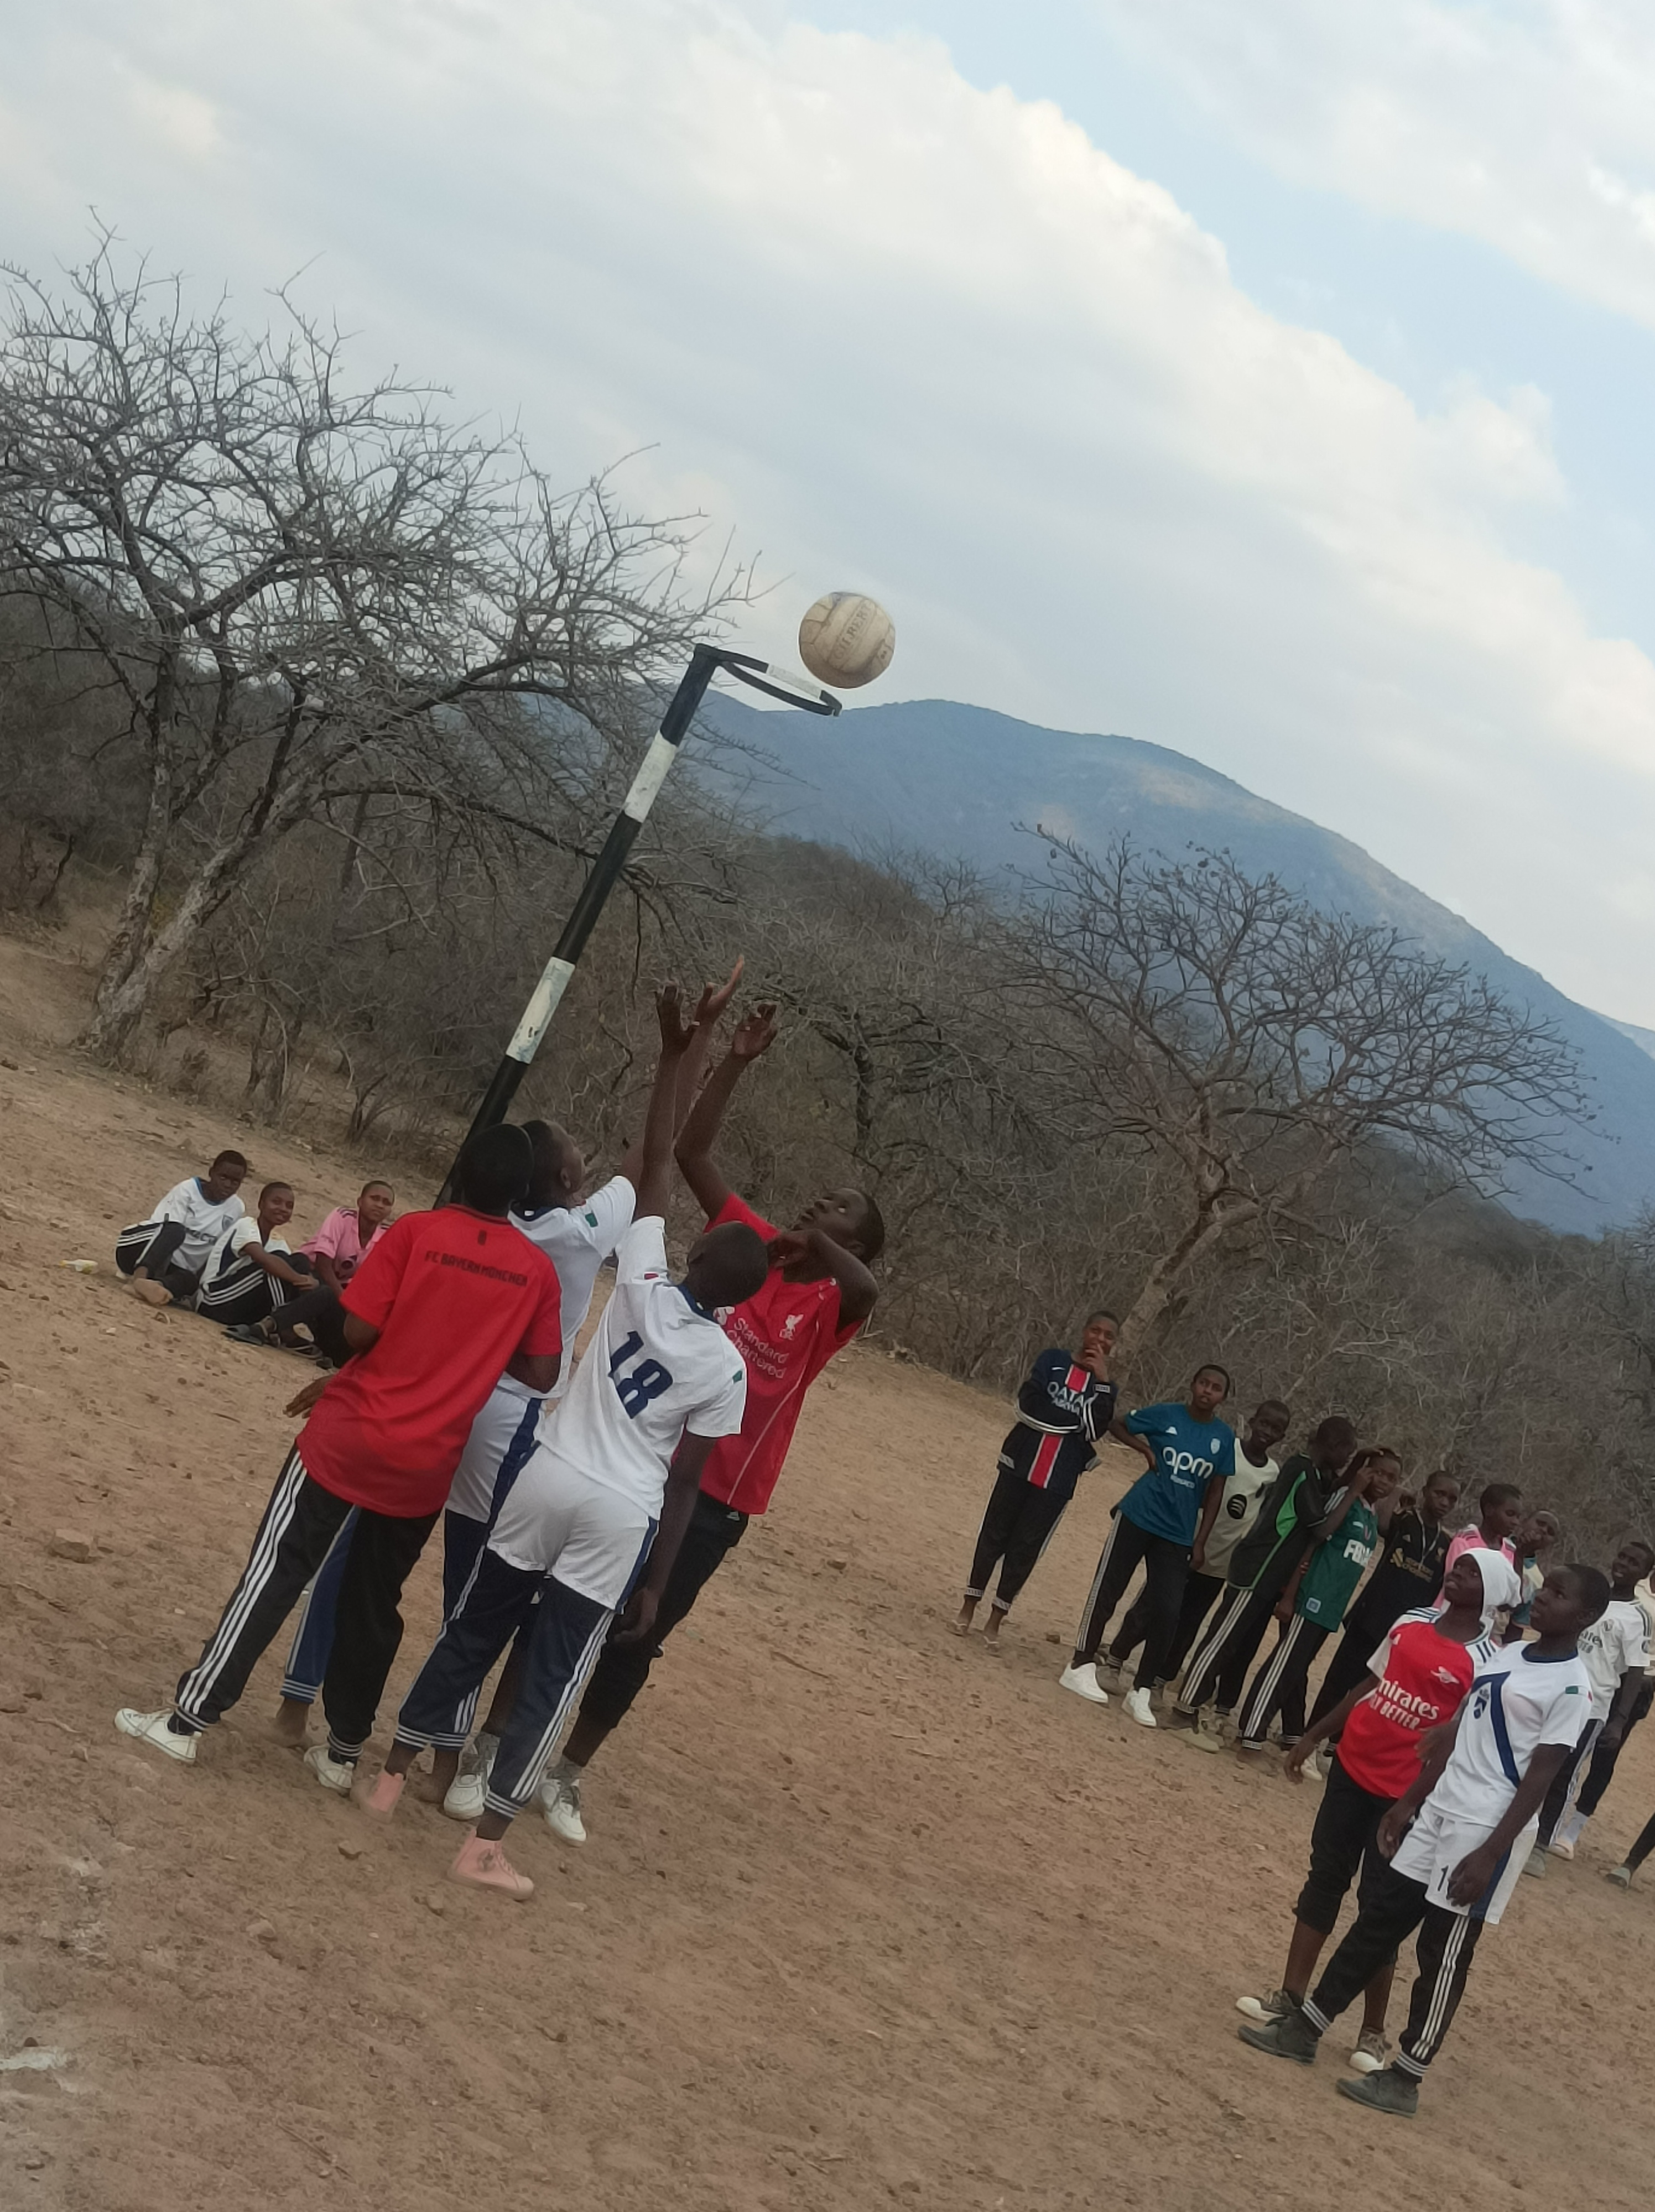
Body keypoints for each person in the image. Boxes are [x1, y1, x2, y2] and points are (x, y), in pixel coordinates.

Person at [360, 986, 770, 1898]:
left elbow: (658, 1159)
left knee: (473, 1629)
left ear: (694, 1258)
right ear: (740, 1302)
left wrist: (677, 1054)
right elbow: (690, 1484)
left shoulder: (644, 1278)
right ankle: (487, 1844)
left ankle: (391, 1777)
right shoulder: (725, 1367)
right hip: (620, 1513)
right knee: (551, 1671)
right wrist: (659, 1582)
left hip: (547, 1474)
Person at [518, 992, 882, 1848]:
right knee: (561, 1606)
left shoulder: (833, 1298)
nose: (816, 1208)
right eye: (820, 1199)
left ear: (853, 1243)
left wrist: (821, 1249)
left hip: (717, 1500)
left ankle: (567, 1775)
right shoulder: (745, 1243)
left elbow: (867, 1288)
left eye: (839, 1211)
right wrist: (736, 1063)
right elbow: (689, 1153)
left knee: (638, 1636)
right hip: (639, 1469)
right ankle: (509, 1743)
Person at [113, 1124, 562, 1778]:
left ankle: (189, 1719)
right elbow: (545, 1372)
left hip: (348, 1438)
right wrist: (480, 1341)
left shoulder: (414, 1233)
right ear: (523, 1193)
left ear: (460, 1173)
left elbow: (356, 1330)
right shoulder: (535, 1269)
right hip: (425, 1465)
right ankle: (345, 1752)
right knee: (373, 1603)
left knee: (277, 1571)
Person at [269, 1112, 644, 1752]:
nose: (588, 1165)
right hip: (500, 1421)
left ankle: (296, 1704)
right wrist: (681, 1059)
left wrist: (348, 1379)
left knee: (353, 1553)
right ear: (559, 1176)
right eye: (580, 1155)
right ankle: (438, 1750)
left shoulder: (455, 1230)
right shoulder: (578, 1232)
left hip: (421, 1404)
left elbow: (404, 1326)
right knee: (473, 1586)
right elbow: (650, 1161)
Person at [1237, 1563, 1609, 2117]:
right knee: (1378, 1921)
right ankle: (1307, 2027)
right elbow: (1461, 1731)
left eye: (1559, 1595)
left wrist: (1490, 1853)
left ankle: (1407, 2075)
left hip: (1486, 1827)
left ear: (1584, 1617)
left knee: (1443, 1949)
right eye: (1546, 1588)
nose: (1545, 1599)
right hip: (1440, 1808)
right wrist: (1409, 1802)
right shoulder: (1510, 1654)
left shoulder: (1572, 1687)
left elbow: (1541, 1778)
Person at [1234, 1549, 1513, 2075]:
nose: (1457, 1573)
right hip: (1353, 1767)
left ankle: (1372, 2030)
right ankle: (1291, 1998)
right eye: (1460, 1566)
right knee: (1324, 1879)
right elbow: (1370, 1684)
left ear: (1493, 1595)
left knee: (1379, 1908)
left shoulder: (1488, 1661)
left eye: (1474, 1572)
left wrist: (1415, 1802)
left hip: (1405, 1795)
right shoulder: (1411, 1620)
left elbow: (1463, 1739)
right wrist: (1317, 1734)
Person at [1058, 1365, 1238, 1729]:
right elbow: (1117, 1423)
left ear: (1223, 1398)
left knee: (1168, 1610)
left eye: (1216, 1388)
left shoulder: (1223, 1438)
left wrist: (1200, 1540)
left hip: (1178, 1532)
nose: (1207, 1391)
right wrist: (1145, 1449)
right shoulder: (1167, 1414)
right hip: (1140, 1515)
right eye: (1203, 1383)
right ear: (1193, 1384)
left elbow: (1216, 1491)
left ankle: (1141, 1689)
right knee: (1109, 1588)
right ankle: (1080, 1664)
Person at [1172, 1416, 1357, 1751]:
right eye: (1347, 1450)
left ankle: (1200, 1706)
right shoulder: (1300, 1469)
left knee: (1235, 1643)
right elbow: (1320, 1526)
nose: (1347, 1458)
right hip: (1258, 1566)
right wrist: (1354, 1491)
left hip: (1270, 1574)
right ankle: (1183, 1711)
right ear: (1331, 1445)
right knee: (1222, 1639)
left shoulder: (1315, 1474)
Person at [955, 1314, 1120, 1648]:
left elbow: (1096, 1430)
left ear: (1114, 1345)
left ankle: (996, 1618)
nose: (1099, 1339)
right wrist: (1074, 1424)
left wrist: (1100, 1384)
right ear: (1083, 1331)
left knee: (1026, 1547)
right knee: (994, 1533)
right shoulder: (1052, 1361)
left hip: (1059, 1478)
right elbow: (1029, 1407)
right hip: (1020, 1461)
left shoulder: (1107, 1387)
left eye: (1108, 1336)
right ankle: (969, 1605)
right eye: (1095, 1331)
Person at [1107, 1399, 1291, 1691]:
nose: (1267, 1431)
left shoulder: (1273, 1473)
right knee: (1154, 1605)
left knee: (1189, 1622)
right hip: (1186, 1541)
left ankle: (1159, 1680)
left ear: (1282, 1437)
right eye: (1264, 1423)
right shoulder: (1225, 1447)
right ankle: (1116, 1657)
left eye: (1276, 1429)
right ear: (1253, 1420)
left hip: (1220, 1561)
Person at [1234, 1449, 1400, 1756]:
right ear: (1366, 1472)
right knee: (1282, 1666)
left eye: (1392, 1478)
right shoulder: (1344, 1500)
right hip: (1311, 1597)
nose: (1384, 1482)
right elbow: (1314, 1541)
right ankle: (1250, 1731)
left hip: (1331, 1607)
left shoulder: (1372, 1514)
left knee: (1296, 1669)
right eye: (1379, 1473)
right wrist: (1290, 1595)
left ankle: (1288, 1732)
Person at [1525, 1537, 1653, 1875]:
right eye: (1622, 1556)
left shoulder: (1637, 1617)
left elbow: (1636, 1671)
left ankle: (1541, 1844)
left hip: (1592, 1708)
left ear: (1644, 1574)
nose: (1623, 1564)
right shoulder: (1591, 1597)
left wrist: (1619, 1720)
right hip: (1555, 1692)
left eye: (1633, 1563)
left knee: (1564, 1774)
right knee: (1530, 1758)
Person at [1305, 1469, 1461, 1739]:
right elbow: (1383, 1524)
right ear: (1424, 1492)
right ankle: (1311, 1734)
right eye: (1439, 1494)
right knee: (1338, 1679)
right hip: (1371, 1616)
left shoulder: (1447, 1543)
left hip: (1402, 1630)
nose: (1445, 1502)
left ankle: (1337, 1743)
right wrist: (1400, 1493)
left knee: (1369, 1689)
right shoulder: (1404, 1521)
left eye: (1452, 1498)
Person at [225, 1178, 395, 1363]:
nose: (379, 1205)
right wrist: (347, 1302)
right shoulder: (343, 1217)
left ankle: (274, 1328)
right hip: (312, 1275)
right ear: (360, 1201)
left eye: (386, 1203)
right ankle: (274, 1328)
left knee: (336, 1307)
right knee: (315, 1281)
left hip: (340, 1293)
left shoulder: (388, 1235)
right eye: (375, 1198)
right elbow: (323, 1264)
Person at [1575, 1555, 1654, 1827]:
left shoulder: (1639, 1610)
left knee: (1606, 1754)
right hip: (1599, 1674)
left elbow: (1638, 1662)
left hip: (1635, 1686)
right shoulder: (1634, 1586)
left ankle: (1574, 1827)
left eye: (1632, 1561)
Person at [115, 1150, 247, 1305]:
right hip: (138, 1250)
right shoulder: (187, 1191)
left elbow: (218, 1250)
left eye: (235, 1182)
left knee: (190, 1281)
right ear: (212, 1173)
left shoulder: (236, 1208)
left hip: (172, 1268)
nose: (227, 1185)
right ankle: (138, 1281)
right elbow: (164, 1232)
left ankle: (158, 1286)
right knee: (176, 1231)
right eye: (223, 1177)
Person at [192, 1181, 316, 1328]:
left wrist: (310, 1282)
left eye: (289, 1206)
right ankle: (282, 1328)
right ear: (261, 1204)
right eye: (276, 1202)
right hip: (214, 1300)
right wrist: (300, 1280)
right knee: (276, 1264)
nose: (283, 1209)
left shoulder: (278, 1241)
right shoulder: (247, 1225)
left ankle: (278, 1323)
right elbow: (263, 1260)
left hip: (242, 1305)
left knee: (299, 1261)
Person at [1501, 1510, 1561, 1646]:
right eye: (1540, 1523)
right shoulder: (1496, 1544)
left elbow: (1518, 1623)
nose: (1543, 1530)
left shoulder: (1538, 1582)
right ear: (1524, 1522)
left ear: (1551, 1544)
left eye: (1550, 1532)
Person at [1441, 1482, 1524, 1575]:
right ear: (1489, 1510)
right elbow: (1452, 1584)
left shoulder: (1510, 1550)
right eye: (1510, 1514)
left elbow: (1510, 1588)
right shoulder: (1465, 1542)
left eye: (1518, 1517)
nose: (1516, 1522)